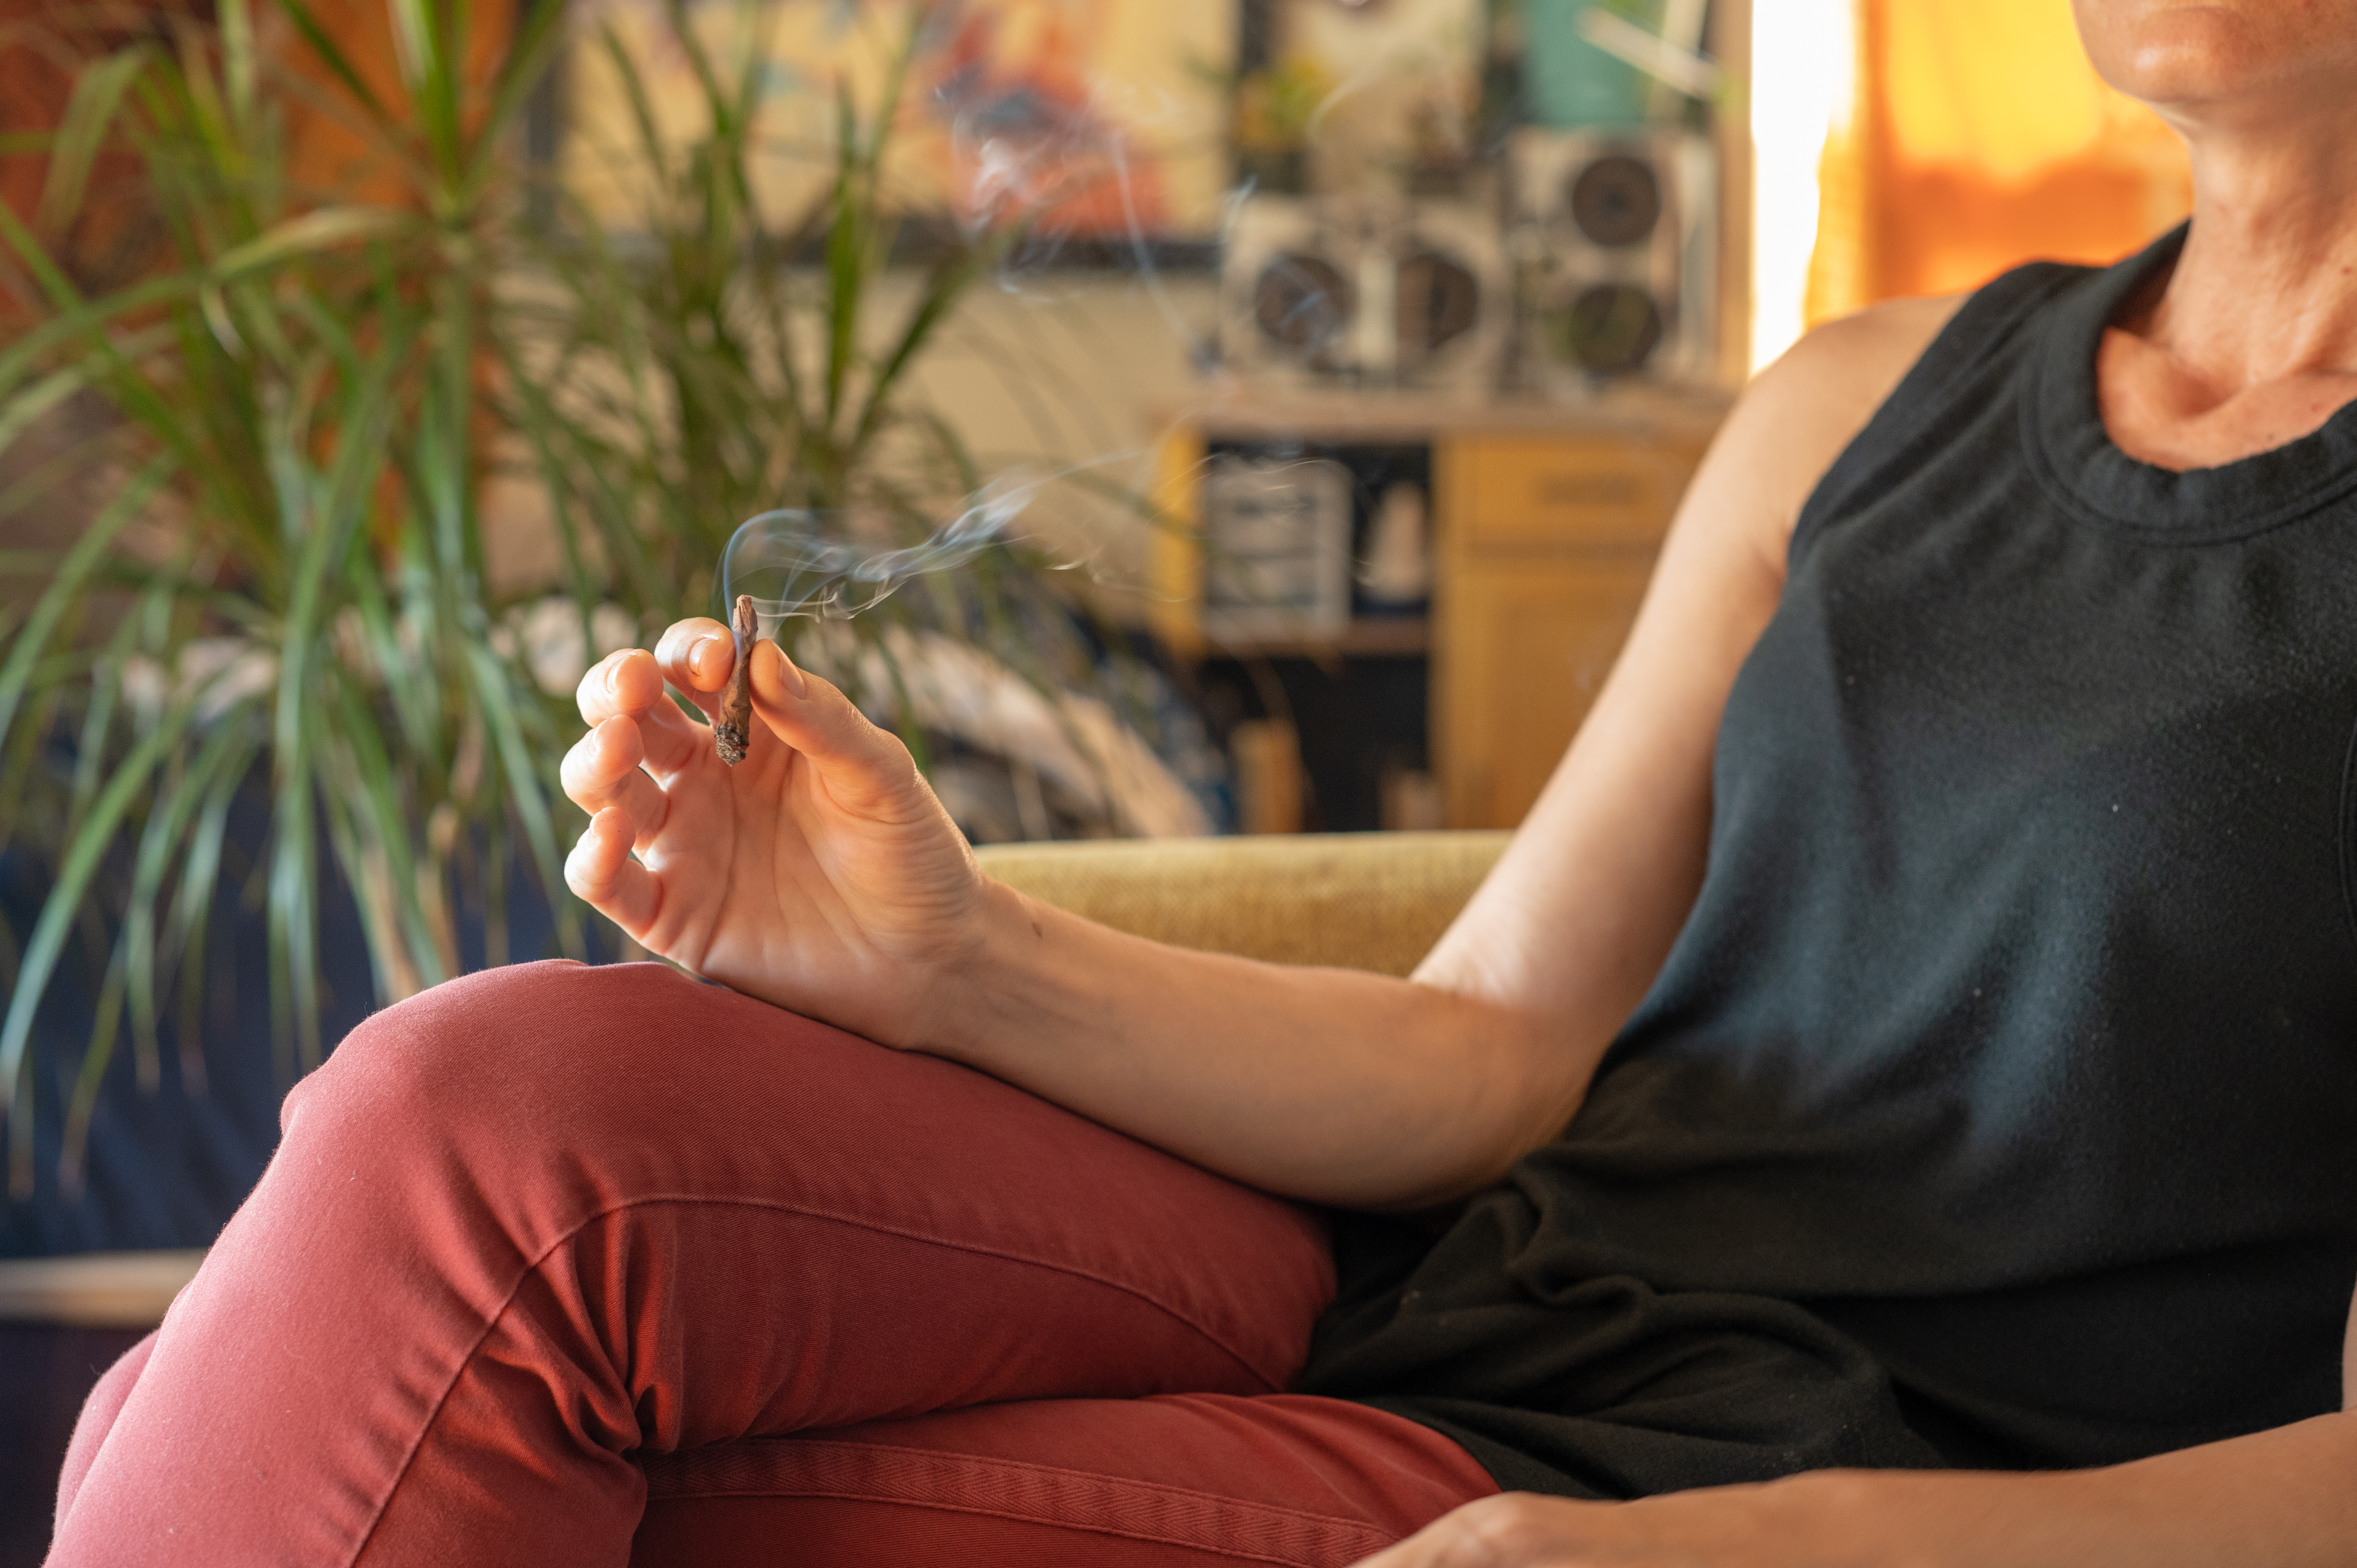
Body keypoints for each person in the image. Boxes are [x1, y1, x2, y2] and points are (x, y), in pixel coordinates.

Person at [45, 1, 2357, 1563]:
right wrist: (954, 953)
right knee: (468, 1127)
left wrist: (1766, 1546)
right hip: (1452, 1265)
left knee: (357, 1452)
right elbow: (1492, 1036)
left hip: (1761, 1468)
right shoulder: (1859, 401)